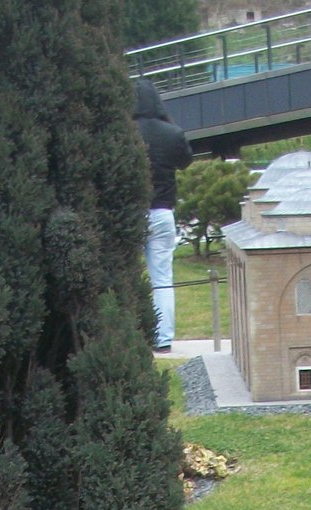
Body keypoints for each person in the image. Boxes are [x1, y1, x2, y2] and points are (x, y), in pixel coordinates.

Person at [133, 80, 192, 352]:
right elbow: (185, 161)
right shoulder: (172, 133)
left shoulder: (125, 132)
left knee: (128, 276)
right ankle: (163, 338)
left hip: (132, 213)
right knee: (162, 279)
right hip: (162, 211)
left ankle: (131, 334)